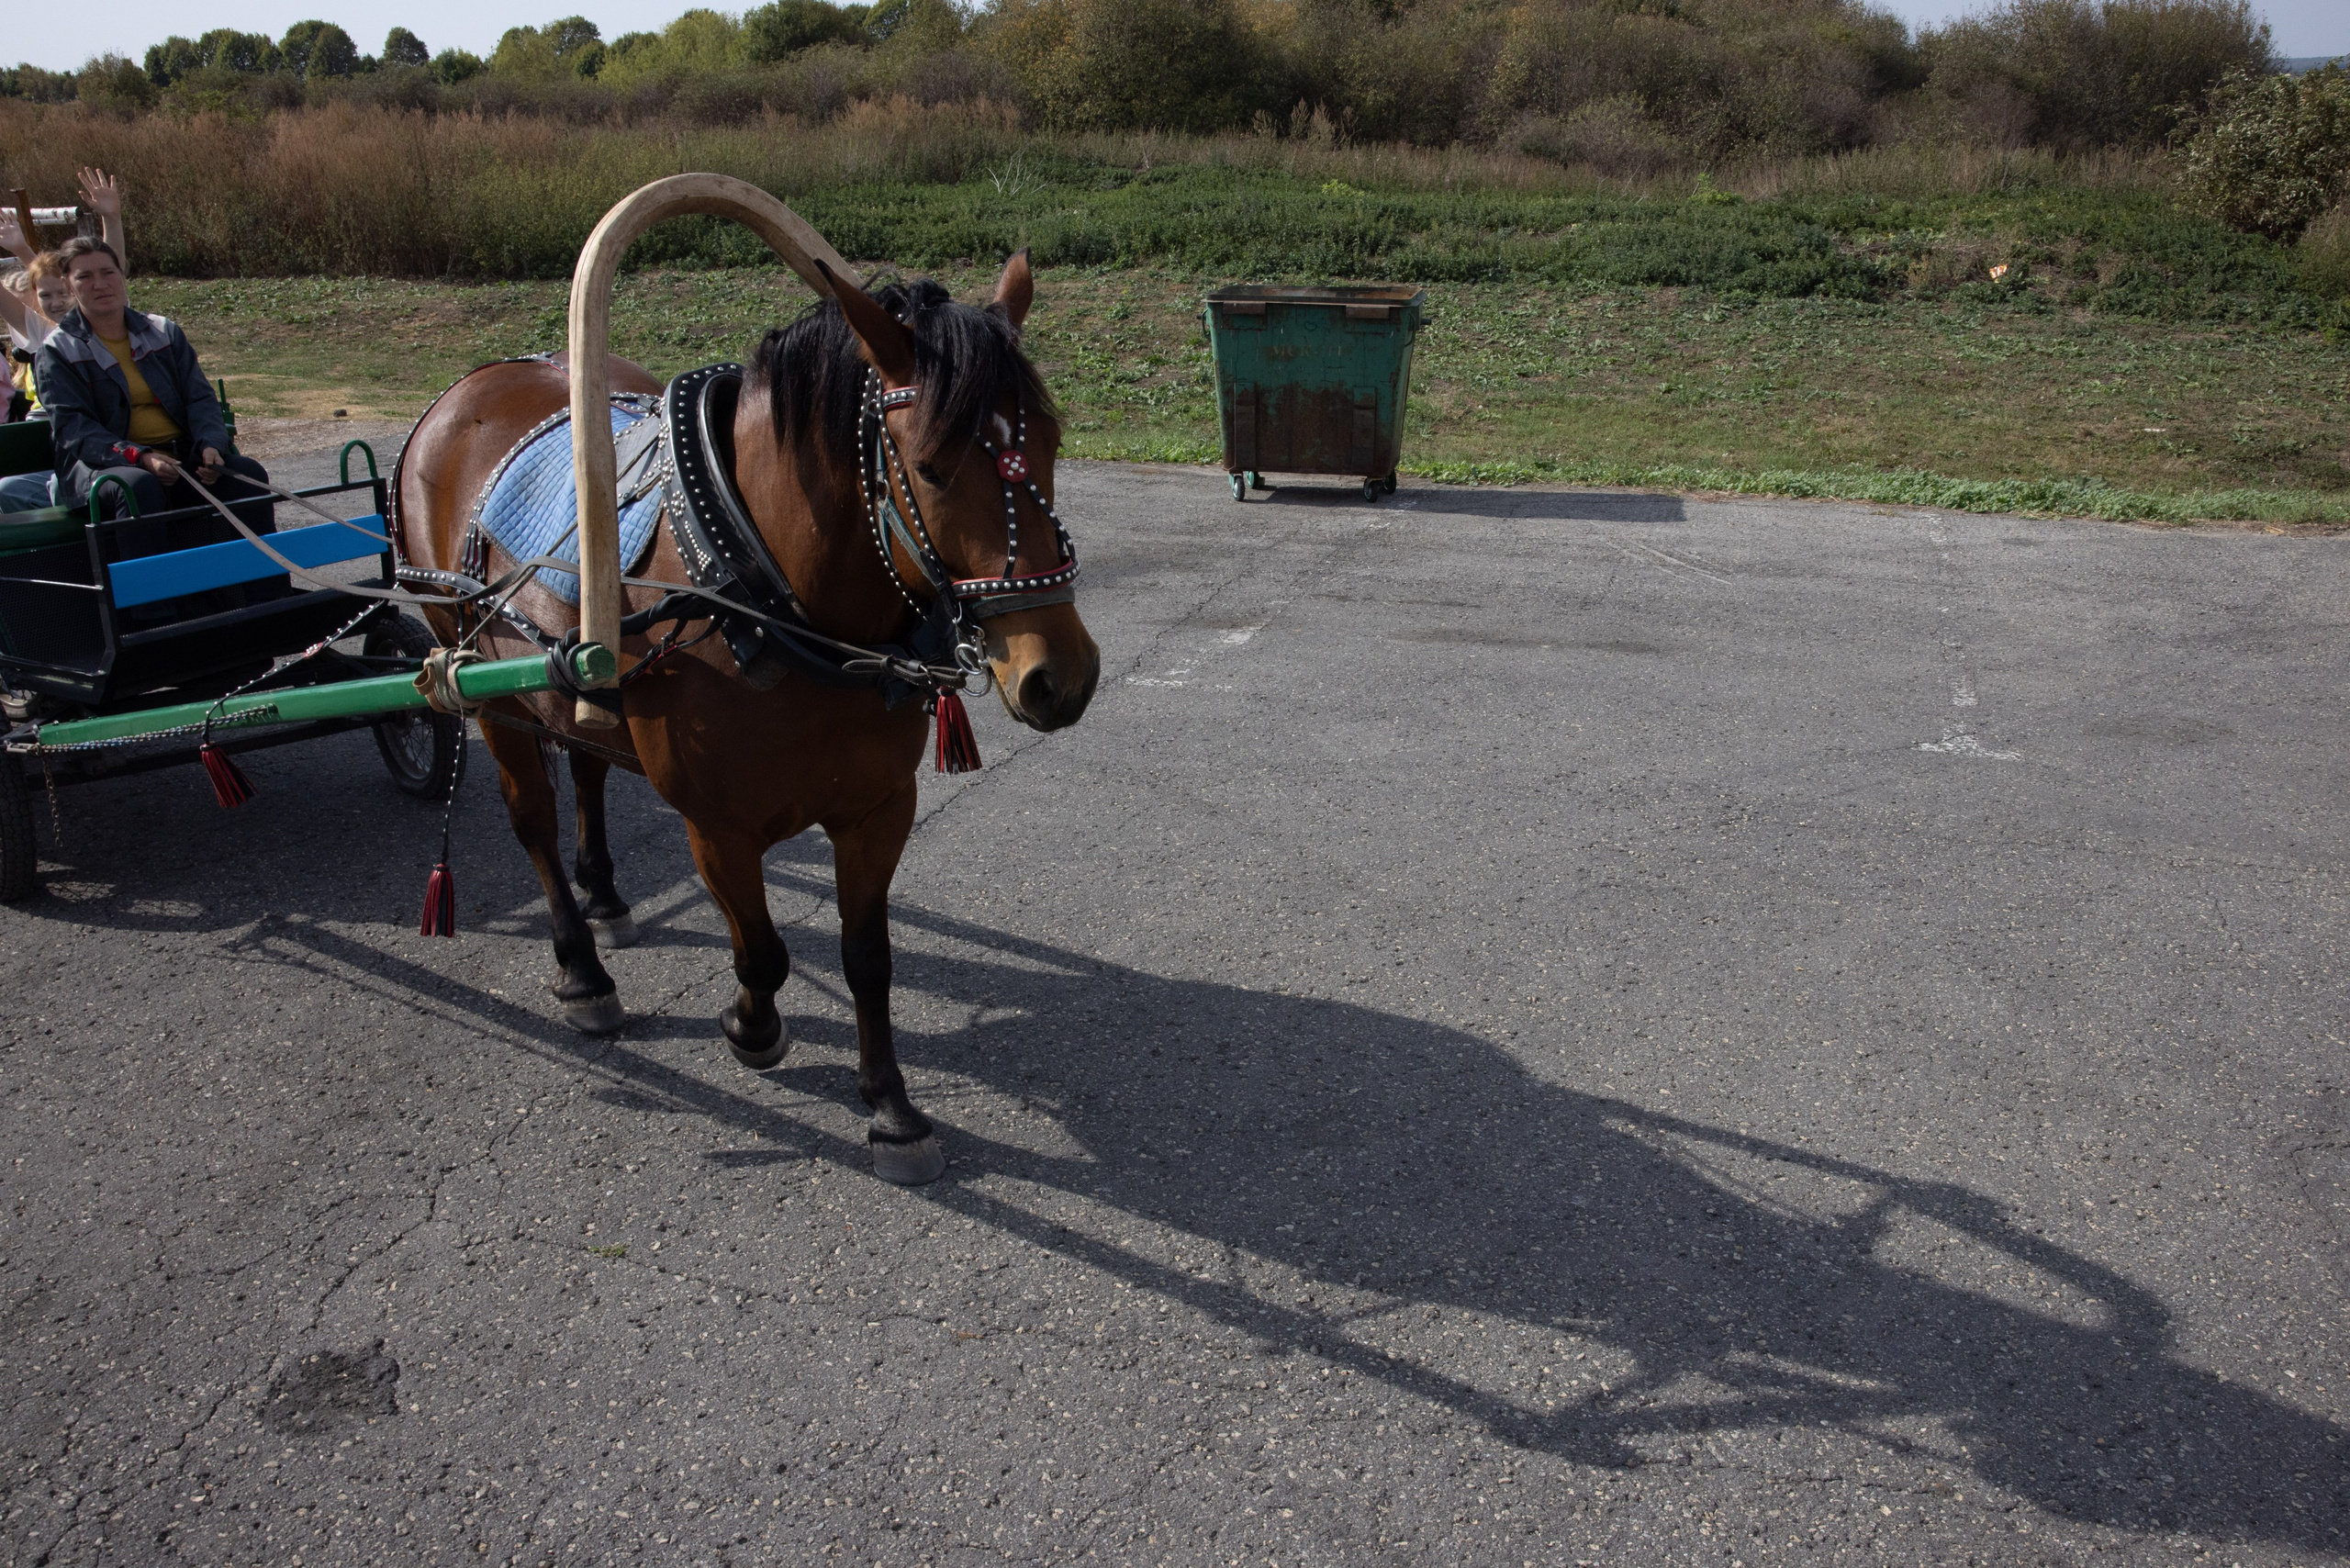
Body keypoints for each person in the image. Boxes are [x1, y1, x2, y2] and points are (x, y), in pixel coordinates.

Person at [33, 234, 274, 557]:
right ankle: (154, 607)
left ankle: (269, 595)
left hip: (180, 462)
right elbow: (75, 430)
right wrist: (141, 457)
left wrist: (211, 445)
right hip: (100, 472)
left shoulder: (163, 331)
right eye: (84, 277)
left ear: (122, 275)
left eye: (108, 272)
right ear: (68, 284)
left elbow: (199, 399)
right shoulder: (56, 351)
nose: (100, 284)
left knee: (248, 474)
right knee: (137, 488)